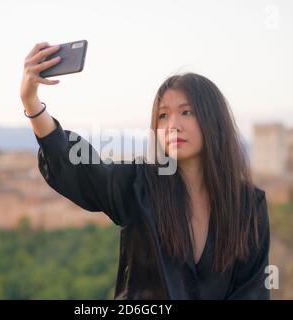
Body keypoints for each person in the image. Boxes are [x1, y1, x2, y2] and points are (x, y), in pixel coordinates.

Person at [20, 42, 271, 300]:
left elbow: (252, 292)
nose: (173, 125)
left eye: (186, 112)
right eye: (163, 116)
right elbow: (76, 166)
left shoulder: (249, 205)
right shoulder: (138, 185)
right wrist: (31, 102)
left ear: (213, 119)